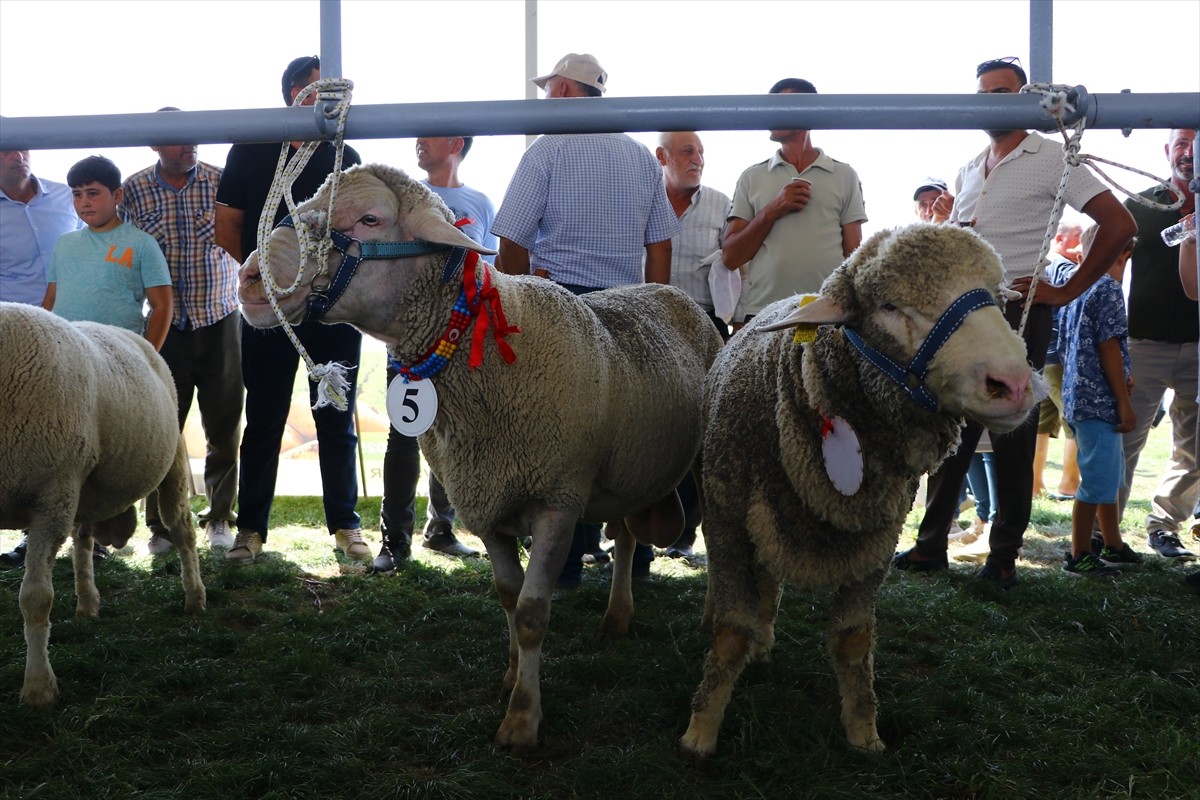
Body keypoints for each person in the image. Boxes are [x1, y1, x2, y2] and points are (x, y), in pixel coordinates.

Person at [893, 56, 1137, 588]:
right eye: (985, 93)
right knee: (954, 429)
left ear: (1025, 97)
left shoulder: (1052, 156)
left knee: (1012, 433)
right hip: (960, 319)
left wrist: (1068, 288)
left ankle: (1003, 556)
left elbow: (1121, 223)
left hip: (1018, 313)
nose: (993, 102)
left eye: (1004, 92)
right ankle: (930, 545)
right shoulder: (967, 167)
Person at [492, 52, 678, 587]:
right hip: (627, 309)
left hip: (564, 311)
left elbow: (511, 240)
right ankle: (635, 562)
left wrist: (526, 298)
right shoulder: (641, 155)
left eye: (551, 88)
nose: (546, 98)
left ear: (569, 92)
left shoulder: (546, 151)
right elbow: (659, 241)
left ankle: (564, 565)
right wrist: (654, 303)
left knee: (562, 439)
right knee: (632, 431)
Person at [215, 55, 367, 565]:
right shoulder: (252, 148)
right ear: (293, 95)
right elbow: (227, 227)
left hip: (331, 307)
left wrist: (314, 285)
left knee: (335, 414)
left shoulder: (347, 155)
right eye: (315, 90)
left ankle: (347, 525)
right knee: (263, 417)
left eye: (333, 92)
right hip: (267, 309)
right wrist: (272, 281)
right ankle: (251, 530)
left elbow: (357, 235)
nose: (327, 100)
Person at [122, 109, 242, 554]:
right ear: (154, 144)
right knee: (161, 426)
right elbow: (115, 244)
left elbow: (248, 239)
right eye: (176, 139)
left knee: (225, 425)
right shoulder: (133, 190)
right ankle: (162, 524)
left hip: (222, 318)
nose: (188, 145)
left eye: (193, 137)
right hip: (163, 325)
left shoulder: (221, 181)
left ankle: (219, 518)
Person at [374, 135, 492, 572]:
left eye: (431, 135)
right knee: (403, 437)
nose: (419, 141)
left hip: (460, 347)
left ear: (456, 143)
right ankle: (393, 541)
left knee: (456, 436)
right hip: (406, 345)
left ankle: (442, 529)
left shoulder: (479, 202)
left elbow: (490, 270)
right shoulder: (398, 200)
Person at [1117, 128, 1199, 561]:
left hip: (1199, 346)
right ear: (1167, 151)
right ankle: (1103, 530)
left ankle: (1165, 527)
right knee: (1125, 438)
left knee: (1195, 448)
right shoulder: (1141, 205)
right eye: (1180, 144)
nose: (1187, 152)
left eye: (1195, 143)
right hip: (1143, 342)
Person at [722, 77, 866, 321]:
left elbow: (854, 257)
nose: (770, 116)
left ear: (807, 111)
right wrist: (773, 209)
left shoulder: (844, 175)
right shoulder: (751, 177)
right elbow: (731, 257)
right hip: (764, 314)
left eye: (779, 107)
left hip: (827, 311)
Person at [0, 149, 83, 568]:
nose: (18, 156)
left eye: (22, 147)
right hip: (10, 346)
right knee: (13, 436)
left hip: (69, 339)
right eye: (6, 149)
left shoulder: (66, 196)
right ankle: (25, 534)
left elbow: (96, 244)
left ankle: (85, 534)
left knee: (72, 436)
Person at [655, 131, 731, 559]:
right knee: (656, 423)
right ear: (661, 156)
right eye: (687, 151)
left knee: (701, 428)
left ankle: (687, 532)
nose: (697, 159)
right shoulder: (642, 199)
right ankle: (643, 522)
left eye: (701, 152)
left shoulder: (723, 205)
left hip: (705, 326)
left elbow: (736, 267)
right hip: (652, 322)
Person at [1058, 227, 1141, 576]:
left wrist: (1123, 375)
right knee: (1096, 480)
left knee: (1109, 474)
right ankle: (1079, 552)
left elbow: (1071, 346)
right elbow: (1107, 345)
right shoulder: (1108, 289)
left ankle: (1113, 542)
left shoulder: (1077, 288)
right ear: (1126, 254)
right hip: (1100, 402)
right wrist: (1123, 400)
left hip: (1079, 397)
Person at [43, 155, 173, 349]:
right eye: (77, 194)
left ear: (117, 195)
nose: (84, 202)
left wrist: (149, 358)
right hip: (66, 349)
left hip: (119, 352)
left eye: (92, 193)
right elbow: (51, 298)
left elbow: (162, 306)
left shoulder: (142, 243)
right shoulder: (64, 243)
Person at [1032, 221, 1084, 500]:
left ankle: (1035, 483)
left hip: (1044, 357)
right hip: (1060, 359)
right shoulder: (1066, 270)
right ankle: (1069, 483)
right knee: (1074, 420)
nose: (1082, 244)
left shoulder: (1046, 269)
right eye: (1079, 238)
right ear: (1061, 239)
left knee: (1041, 423)